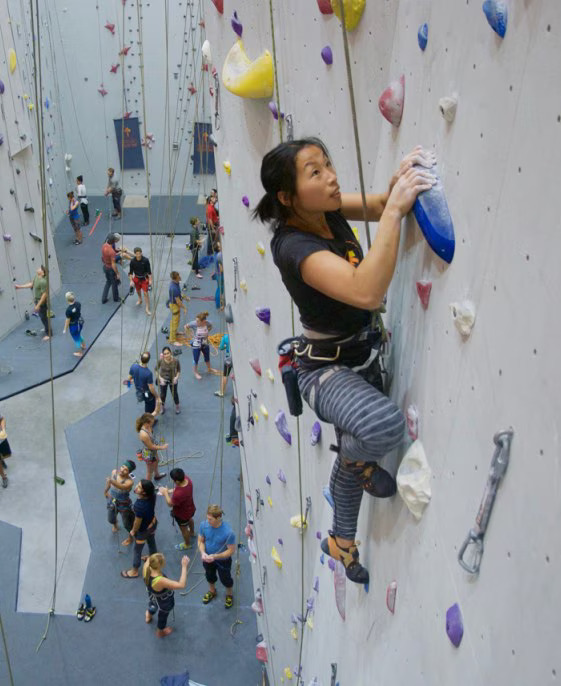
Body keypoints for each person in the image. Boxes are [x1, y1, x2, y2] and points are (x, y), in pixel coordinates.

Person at [255, 138, 434, 585]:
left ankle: (341, 541)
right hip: (325, 371)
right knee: (381, 428)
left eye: (328, 165)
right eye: (315, 172)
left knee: (358, 454)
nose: (332, 177)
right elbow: (365, 291)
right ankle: (355, 462)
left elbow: (376, 204)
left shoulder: (323, 210)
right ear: (287, 197)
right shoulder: (294, 246)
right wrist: (395, 211)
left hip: (358, 355)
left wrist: (400, 183)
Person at [142, 552, 190, 638]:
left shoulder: (147, 566)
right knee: (163, 615)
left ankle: (148, 614)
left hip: (152, 594)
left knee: (153, 604)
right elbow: (181, 585)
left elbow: (150, 558)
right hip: (163, 601)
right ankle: (160, 632)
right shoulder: (160, 580)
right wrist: (184, 566)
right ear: (160, 566)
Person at [198, 504, 236, 608]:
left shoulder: (228, 532)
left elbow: (231, 551)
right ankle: (212, 591)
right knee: (209, 576)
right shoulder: (204, 525)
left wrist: (215, 556)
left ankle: (229, 594)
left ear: (219, 517)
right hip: (207, 557)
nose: (208, 521)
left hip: (223, 560)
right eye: (207, 518)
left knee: (226, 578)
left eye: (210, 519)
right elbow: (200, 540)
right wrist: (203, 552)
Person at [121, 479, 158, 578]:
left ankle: (134, 571)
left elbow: (137, 521)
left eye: (139, 487)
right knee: (151, 541)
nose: (136, 487)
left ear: (144, 492)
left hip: (143, 530)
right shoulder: (152, 495)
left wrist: (133, 530)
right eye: (138, 485)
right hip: (152, 523)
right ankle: (152, 557)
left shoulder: (139, 505)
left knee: (137, 550)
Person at [159, 468, 195, 550]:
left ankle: (187, 544)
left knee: (184, 529)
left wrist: (165, 493)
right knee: (190, 519)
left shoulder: (178, 495)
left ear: (177, 481)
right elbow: (179, 488)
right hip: (190, 508)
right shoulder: (187, 479)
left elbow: (170, 503)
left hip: (181, 514)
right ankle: (192, 532)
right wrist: (171, 491)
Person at [14, 265, 51, 341]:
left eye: (40, 269)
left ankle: (49, 334)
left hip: (42, 302)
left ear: (43, 273)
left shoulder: (43, 282)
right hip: (37, 300)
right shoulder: (37, 277)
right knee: (42, 316)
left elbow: (44, 295)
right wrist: (20, 287)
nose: (38, 268)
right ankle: (46, 328)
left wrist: (38, 305)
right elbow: (31, 284)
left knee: (44, 317)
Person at [105, 459, 137, 544]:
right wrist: (106, 491)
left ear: (129, 472)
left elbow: (121, 487)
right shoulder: (114, 472)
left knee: (127, 524)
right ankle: (115, 525)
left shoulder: (129, 481)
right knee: (111, 519)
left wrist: (112, 481)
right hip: (112, 500)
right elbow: (109, 483)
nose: (122, 470)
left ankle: (130, 538)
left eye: (126, 469)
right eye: (122, 467)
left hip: (124, 504)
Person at [136, 412, 167, 482]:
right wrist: (162, 447)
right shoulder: (143, 434)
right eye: (152, 422)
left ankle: (157, 475)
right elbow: (151, 447)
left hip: (153, 451)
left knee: (157, 461)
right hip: (148, 453)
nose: (153, 423)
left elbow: (156, 411)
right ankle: (148, 486)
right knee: (149, 471)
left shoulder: (147, 422)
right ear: (147, 423)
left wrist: (158, 402)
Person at [184, 311, 216, 379]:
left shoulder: (207, 323)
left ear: (203, 321)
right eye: (196, 320)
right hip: (196, 343)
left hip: (205, 342)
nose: (196, 322)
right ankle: (195, 372)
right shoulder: (194, 323)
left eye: (198, 321)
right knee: (196, 358)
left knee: (207, 356)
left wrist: (206, 333)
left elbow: (210, 327)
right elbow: (186, 326)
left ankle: (209, 368)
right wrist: (189, 334)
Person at [155, 346, 181, 415]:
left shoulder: (176, 361)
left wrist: (176, 378)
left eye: (168, 353)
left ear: (170, 353)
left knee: (174, 394)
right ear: (163, 354)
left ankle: (177, 406)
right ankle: (162, 407)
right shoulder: (161, 361)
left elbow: (178, 370)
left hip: (173, 379)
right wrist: (160, 378)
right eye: (165, 354)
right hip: (163, 380)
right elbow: (156, 370)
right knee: (163, 395)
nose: (166, 355)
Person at [128, 247, 152, 315]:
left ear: (141, 253)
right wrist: (131, 281)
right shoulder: (132, 261)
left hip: (144, 278)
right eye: (137, 254)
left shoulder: (146, 260)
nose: (138, 255)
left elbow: (149, 271)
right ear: (135, 254)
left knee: (145, 293)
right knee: (138, 291)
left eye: (139, 253)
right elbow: (130, 272)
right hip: (137, 278)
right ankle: (140, 299)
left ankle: (147, 308)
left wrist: (150, 280)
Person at [101, 233, 123, 304]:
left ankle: (103, 298)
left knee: (108, 282)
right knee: (114, 283)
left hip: (105, 267)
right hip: (110, 269)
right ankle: (116, 298)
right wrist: (117, 273)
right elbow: (113, 264)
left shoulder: (104, 245)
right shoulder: (111, 251)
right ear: (113, 241)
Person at [166, 271, 186, 347]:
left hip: (175, 304)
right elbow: (178, 301)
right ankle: (172, 340)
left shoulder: (176, 283)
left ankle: (175, 332)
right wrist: (184, 308)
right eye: (178, 276)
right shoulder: (173, 288)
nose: (180, 276)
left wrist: (184, 296)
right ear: (176, 278)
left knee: (176, 320)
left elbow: (179, 294)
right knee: (174, 322)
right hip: (175, 306)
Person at [63, 292, 85, 357]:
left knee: (76, 339)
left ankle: (80, 353)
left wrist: (65, 329)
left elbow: (67, 321)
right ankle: (84, 345)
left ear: (67, 300)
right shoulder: (78, 304)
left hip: (74, 326)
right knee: (79, 334)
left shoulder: (68, 310)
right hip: (80, 322)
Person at [215, 333, 232, 398]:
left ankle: (221, 392)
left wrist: (225, 346)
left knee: (225, 375)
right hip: (238, 358)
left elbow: (221, 347)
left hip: (229, 358)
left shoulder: (225, 337)